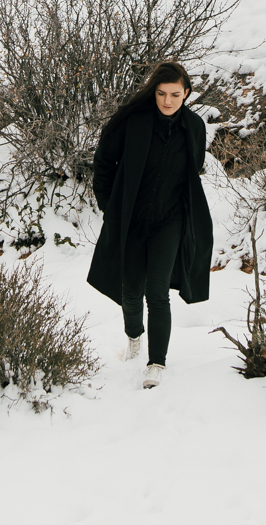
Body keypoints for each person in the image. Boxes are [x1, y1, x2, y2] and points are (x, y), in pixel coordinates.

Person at [86, 61, 214, 389]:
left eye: (175, 94)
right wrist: (109, 206)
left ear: (186, 93)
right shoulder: (132, 122)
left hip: (170, 220)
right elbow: (103, 164)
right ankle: (133, 337)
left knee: (157, 292)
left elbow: (193, 169)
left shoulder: (194, 127)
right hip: (130, 218)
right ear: (153, 92)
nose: (168, 101)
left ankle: (156, 363)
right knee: (131, 290)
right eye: (161, 93)